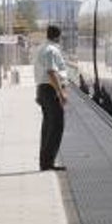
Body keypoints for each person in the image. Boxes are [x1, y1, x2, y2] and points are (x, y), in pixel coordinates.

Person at [33, 24, 68, 171]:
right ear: (58, 36)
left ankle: (45, 162)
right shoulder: (51, 50)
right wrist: (61, 93)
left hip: (44, 89)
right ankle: (48, 163)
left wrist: (38, 93)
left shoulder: (41, 48)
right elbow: (51, 72)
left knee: (48, 127)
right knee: (56, 127)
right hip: (50, 90)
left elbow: (41, 71)